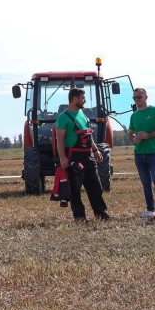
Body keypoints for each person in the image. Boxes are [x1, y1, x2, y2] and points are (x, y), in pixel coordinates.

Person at [55, 88, 109, 221]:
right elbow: (60, 140)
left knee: (95, 187)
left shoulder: (82, 115)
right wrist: (62, 157)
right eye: (83, 98)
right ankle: (79, 216)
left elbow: (88, 136)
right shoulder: (63, 118)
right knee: (75, 189)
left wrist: (95, 151)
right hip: (74, 157)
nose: (84, 101)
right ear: (75, 99)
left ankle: (101, 213)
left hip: (88, 156)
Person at [127, 88, 155, 220]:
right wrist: (134, 139)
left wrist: (149, 135)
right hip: (139, 154)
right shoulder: (134, 116)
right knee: (146, 183)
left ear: (146, 97)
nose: (137, 100)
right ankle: (150, 209)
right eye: (134, 98)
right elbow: (130, 134)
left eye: (139, 97)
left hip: (154, 153)